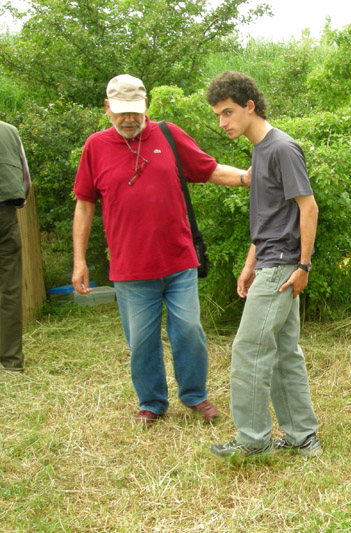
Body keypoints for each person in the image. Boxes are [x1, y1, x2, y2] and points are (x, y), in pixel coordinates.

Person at [72, 74, 250, 426]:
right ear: (107, 109)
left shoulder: (168, 135)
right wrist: (79, 260)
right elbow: (84, 205)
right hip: (130, 269)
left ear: (145, 107)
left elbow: (210, 170)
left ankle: (195, 396)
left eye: (135, 112)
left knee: (189, 331)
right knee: (141, 342)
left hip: (179, 260)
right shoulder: (95, 146)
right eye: (121, 112)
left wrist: (251, 176)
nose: (128, 119)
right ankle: (151, 403)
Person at [205, 71, 321, 462]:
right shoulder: (260, 151)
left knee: (248, 350)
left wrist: (303, 265)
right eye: (219, 115)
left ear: (249, 106)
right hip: (269, 262)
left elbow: (309, 207)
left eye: (228, 113)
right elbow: (270, 216)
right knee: (285, 352)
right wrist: (249, 262)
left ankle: (253, 442)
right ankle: (303, 437)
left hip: (284, 267)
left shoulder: (281, 148)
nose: (223, 123)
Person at [0, 120, 31, 372]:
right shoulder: (9, 130)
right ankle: (11, 361)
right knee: (8, 288)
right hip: (5, 213)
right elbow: (25, 179)